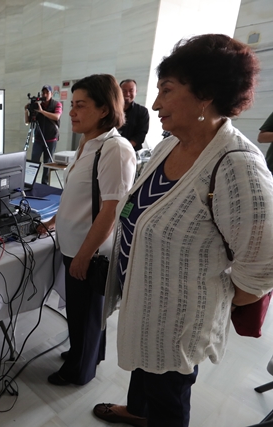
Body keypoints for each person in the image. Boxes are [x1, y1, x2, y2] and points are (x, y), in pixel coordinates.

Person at [93, 34, 273, 427]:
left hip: (178, 320)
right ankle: (137, 411)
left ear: (206, 94)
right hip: (145, 301)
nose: (155, 103)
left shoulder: (237, 166)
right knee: (146, 367)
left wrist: (208, 302)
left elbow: (261, 264)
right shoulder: (168, 146)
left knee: (169, 392)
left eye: (167, 90)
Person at [37, 75, 136, 386]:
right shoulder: (87, 143)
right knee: (81, 313)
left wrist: (84, 256)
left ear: (104, 109)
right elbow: (76, 197)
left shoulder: (114, 149)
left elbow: (110, 211)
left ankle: (80, 371)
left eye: (81, 106)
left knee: (87, 314)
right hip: (73, 244)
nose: (71, 112)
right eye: (72, 105)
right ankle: (85, 353)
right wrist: (52, 223)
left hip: (90, 251)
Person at [24, 85, 62, 185]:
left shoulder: (56, 104)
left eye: (47, 93)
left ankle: (44, 184)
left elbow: (57, 117)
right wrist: (26, 111)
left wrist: (41, 111)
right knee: (34, 161)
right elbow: (28, 122)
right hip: (38, 138)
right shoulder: (38, 105)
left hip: (51, 139)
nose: (44, 95)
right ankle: (30, 182)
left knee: (47, 163)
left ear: (51, 94)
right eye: (43, 93)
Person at [118, 79, 150, 151]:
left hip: (130, 151)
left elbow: (141, 134)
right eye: (124, 91)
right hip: (109, 149)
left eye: (131, 90)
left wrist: (123, 148)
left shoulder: (142, 111)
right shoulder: (111, 110)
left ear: (136, 92)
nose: (128, 94)